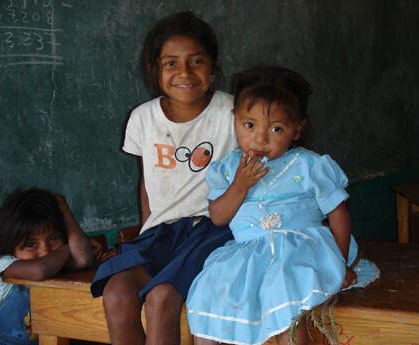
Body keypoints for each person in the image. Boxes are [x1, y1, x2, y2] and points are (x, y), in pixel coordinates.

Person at [186, 65, 379, 345]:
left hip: (300, 250)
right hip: (248, 255)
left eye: (276, 128)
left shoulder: (309, 165)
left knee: (285, 300)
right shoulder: (228, 168)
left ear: (297, 129)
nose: (261, 139)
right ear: (235, 119)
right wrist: (240, 184)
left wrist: (340, 262)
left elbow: (338, 214)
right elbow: (218, 217)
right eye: (249, 125)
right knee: (209, 292)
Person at [90, 11, 238, 345]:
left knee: (161, 297)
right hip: (161, 232)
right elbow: (147, 182)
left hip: (214, 230)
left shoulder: (233, 113)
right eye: (170, 63)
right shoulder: (143, 118)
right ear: (154, 69)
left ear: (214, 66)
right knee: (116, 293)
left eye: (196, 61)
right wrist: (145, 233)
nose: (184, 73)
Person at [0, 188, 95, 345]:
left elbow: (83, 258)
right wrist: (67, 248)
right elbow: (40, 270)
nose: (45, 251)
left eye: (53, 238)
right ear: (10, 246)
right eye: (30, 244)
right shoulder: (4, 263)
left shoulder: (55, 262)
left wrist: (63, 208)